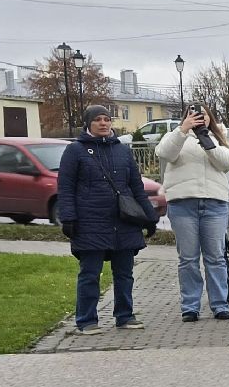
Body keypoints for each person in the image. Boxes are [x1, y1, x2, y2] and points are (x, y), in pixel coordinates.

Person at [58, 105, 157, 334]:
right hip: (90, 222)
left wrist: (149, 218)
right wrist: (68, 218)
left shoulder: (122, 151)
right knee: (90, 273)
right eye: (98, 120)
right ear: (88, 124)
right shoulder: (76, 151)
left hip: (123, 222)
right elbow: (66, 187)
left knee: (124, 274)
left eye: (106, 119)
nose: (103, 123)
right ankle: (86, 320)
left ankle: (125, 316)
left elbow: (136, 187)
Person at [157, 105, 229, 322]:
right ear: (187, 116)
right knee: (188, 259)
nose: (200, 118)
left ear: (210, 117)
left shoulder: (219, 137)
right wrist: (183, 130)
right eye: (194, 114)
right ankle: (190, 306)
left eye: (203, 114)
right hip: (183, 204)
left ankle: (220, 305)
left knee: (216, 257)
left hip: (214, 204)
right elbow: (164, 153)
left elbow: (227, 162)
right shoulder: (177, 136)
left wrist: (206, 140)